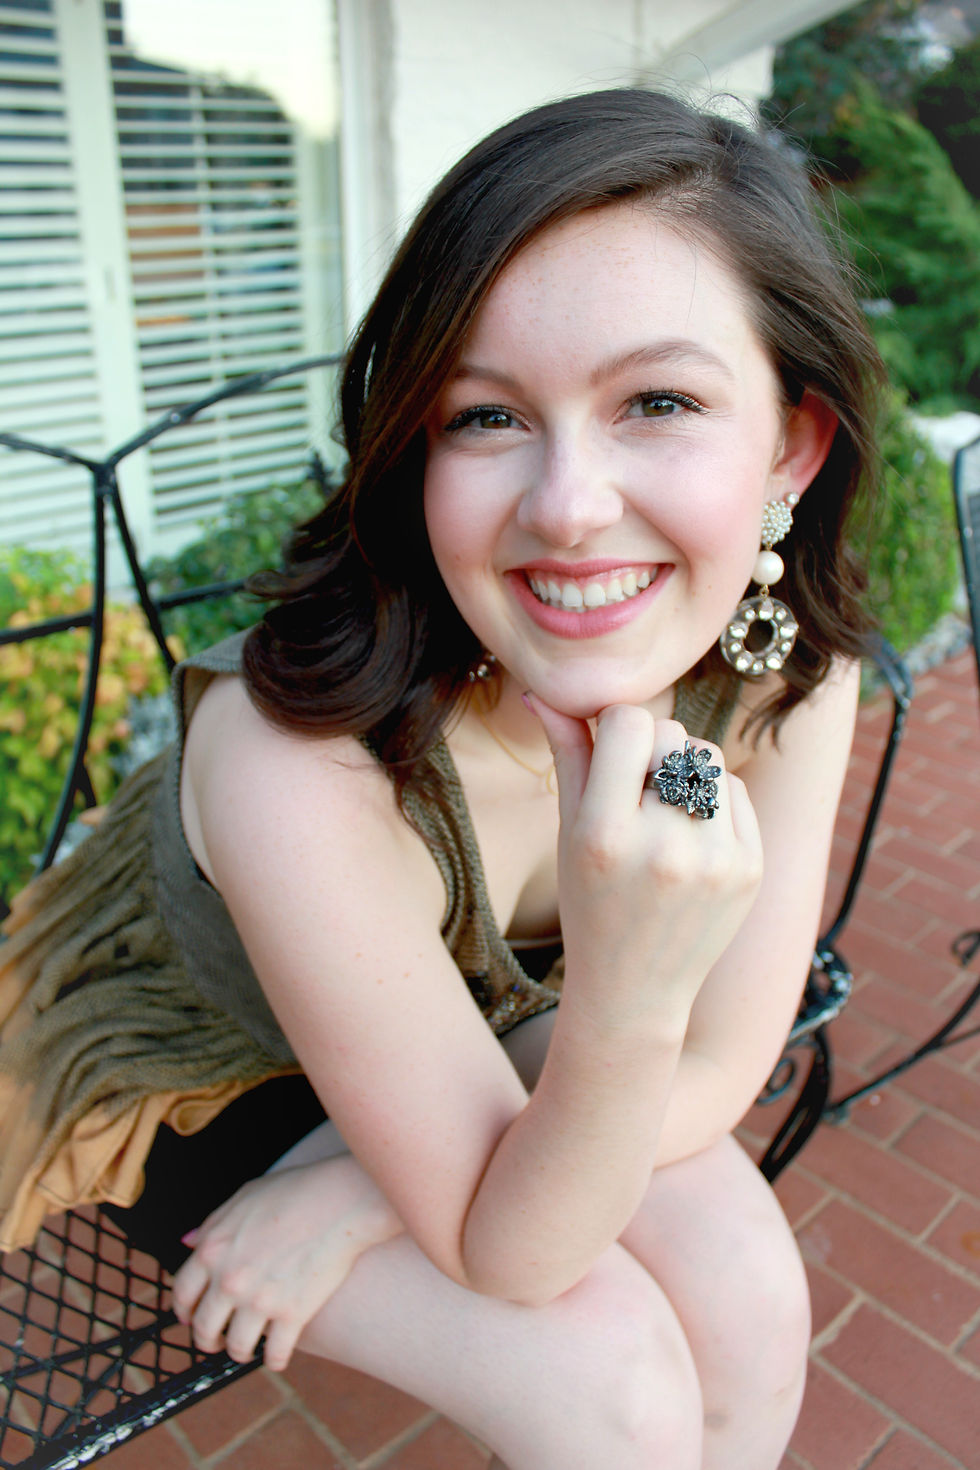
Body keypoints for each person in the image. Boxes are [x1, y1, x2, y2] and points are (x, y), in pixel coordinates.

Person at [0, 88, 882, 1469]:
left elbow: (720, 1057)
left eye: (657, 401)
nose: (568, 506)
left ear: (791, 444)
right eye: (485, 415)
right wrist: (629, 994)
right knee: (612, 1387)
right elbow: (517, 1249)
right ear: (418, 444)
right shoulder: (298, 759)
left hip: (513, 1026)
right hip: (216, 1066)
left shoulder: (785, 679)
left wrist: (361, 1191)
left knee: (751, 1290)